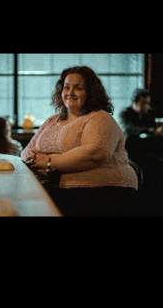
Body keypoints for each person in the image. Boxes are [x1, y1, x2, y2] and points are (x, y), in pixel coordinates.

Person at [21, 66, 138, 216]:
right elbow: (26, 151)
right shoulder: (51, 121)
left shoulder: (99, 117)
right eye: (67, 87)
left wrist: (49, 162)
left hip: (102, 193)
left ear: (91, 92)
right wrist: (36, 162)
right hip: (56, 191)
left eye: (78, 88)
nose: (70, 93)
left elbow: (94, 154)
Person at [119, 88, 163, 215]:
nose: (146, 106)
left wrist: (160, 130)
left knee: (160, 166)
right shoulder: (125, 113)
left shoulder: (150, 113)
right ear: (133, 103)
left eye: (147, 103)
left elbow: (158, 126)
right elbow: (130, 129)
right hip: (130, 152)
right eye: (142, 103)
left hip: (148, 150)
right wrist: (151, 131)